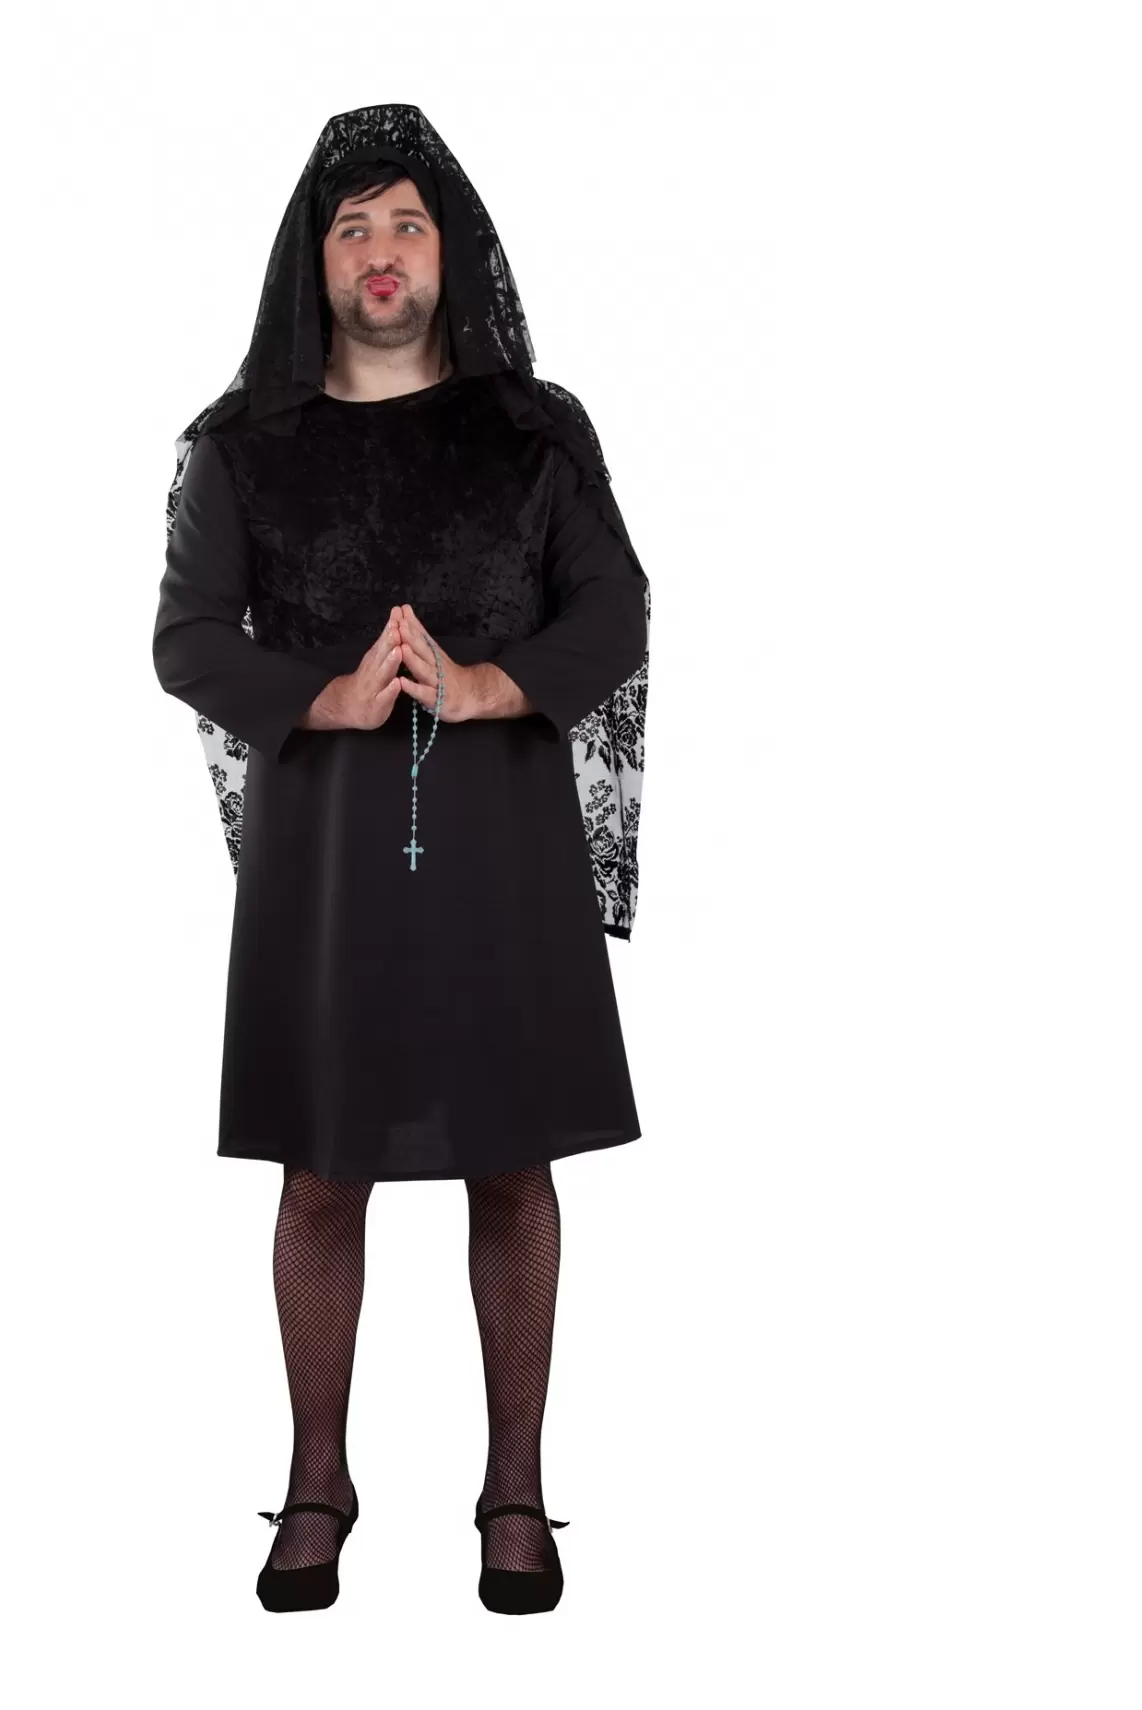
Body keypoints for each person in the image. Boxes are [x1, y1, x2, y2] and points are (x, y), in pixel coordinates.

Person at [152, 104, 652, 1615]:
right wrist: (320, 698)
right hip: (325, 863)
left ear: (453, 250)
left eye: (407, 224)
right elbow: (186, 639)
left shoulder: (535, 434)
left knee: (515, 1162)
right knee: (321, 1174)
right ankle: (320, 1477)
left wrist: (494, 683)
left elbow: (614, 610)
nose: (382, 252)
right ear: (314, 262)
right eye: (353, 226)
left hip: (508, 846)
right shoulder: (241, 446)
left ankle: (516, 1488)